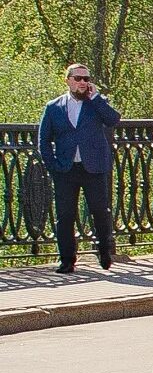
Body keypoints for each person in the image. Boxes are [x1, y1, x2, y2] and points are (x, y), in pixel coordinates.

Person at [36, 64, 121, 274]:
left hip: (93, 168)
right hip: (65, 169)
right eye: (78, 78)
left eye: (86, 79)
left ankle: (104, 251)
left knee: (100, 211)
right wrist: (53, 166)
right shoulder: (54, 107)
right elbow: (43, 141)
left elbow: (113, 119)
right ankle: (66, 259)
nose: (83, 82)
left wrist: (96, 98)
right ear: (68, 80)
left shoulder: (95, 104)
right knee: (65, 215)